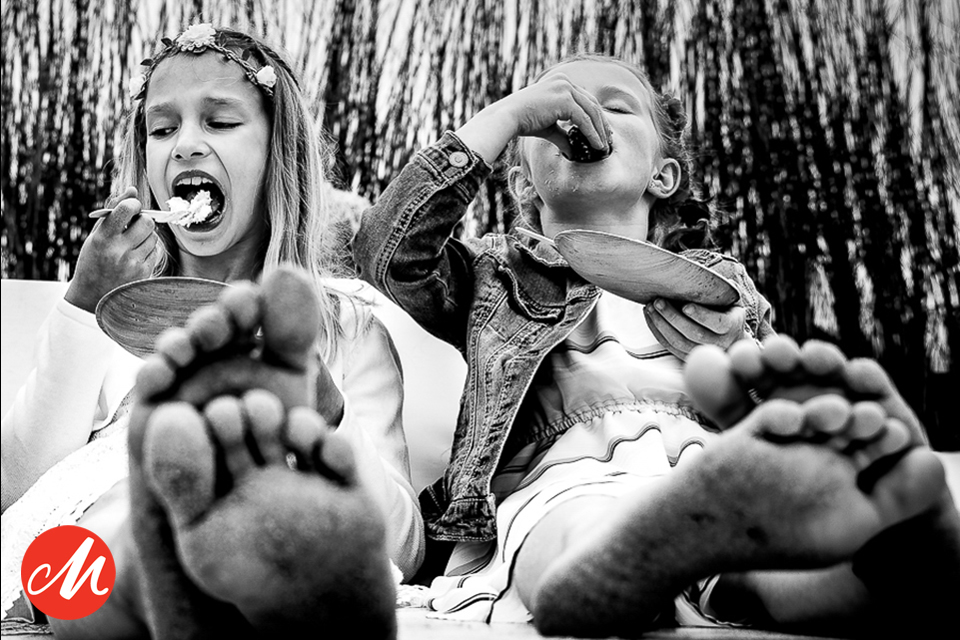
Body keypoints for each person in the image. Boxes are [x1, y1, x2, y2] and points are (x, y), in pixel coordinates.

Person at [353, 53, 959, 637]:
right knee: (577, 524)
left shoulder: (721, 284)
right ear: (523, 183)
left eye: (616, 107)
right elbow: (387, 252)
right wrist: (508, 115)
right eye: (552, 108)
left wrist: (739, 356)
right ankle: (600, 572)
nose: (582, 114)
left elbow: (771, 407)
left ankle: (895, 561)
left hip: (706, 476)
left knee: (770, 563)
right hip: (560, 480)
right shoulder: (495, 274)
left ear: (661, 176)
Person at [1, 24, 422, 638]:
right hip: (93, 552)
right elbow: (17, 490)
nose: (185, 146)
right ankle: (162, 572)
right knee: (122, 522)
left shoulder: (344, 330)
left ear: (279, 154)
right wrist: (81, 309)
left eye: (220, 122)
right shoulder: (110, 314)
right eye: (162, 129)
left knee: (271, 514)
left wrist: (327, 409)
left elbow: (404, 547)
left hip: (269, 538)